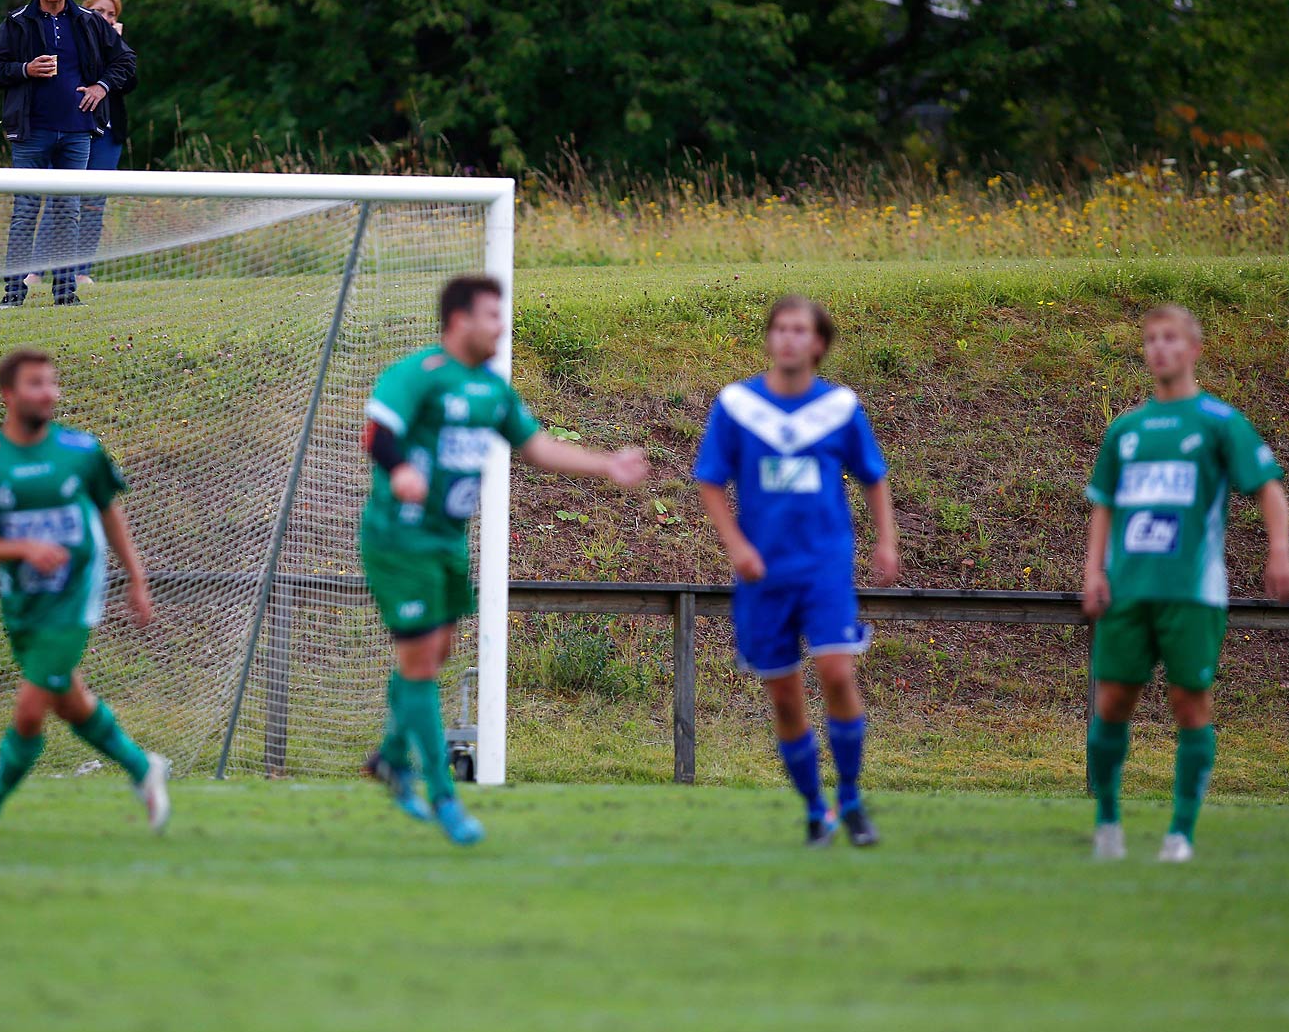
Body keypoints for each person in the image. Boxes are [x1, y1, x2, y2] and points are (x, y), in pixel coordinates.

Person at [359, 275, 649, 844]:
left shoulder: (491, 390)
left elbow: (537, 448)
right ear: (460, 320)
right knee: (420, 661)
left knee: (435, 652)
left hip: (446, 541)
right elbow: (377, 430)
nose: (502, 325)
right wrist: (400, 469)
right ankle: (444, 799)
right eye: (493, 314)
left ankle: (391, 757)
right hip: (400, 539)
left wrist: (605, 465)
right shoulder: (421, 375)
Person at [1082, 304, 1289, 864]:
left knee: (1189, 703)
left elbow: (1269, 489)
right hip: (1128, 591)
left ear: (1194, 350)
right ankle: (1108, 824)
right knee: (1112, 700)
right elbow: (1103, 506)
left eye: (1171, 339)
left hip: (1192, 591)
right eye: (1151, 339)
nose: (1159, 348)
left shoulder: (1219, 422)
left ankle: (1180, 833)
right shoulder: (1126, 430)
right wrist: (1093, 570)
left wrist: (1279, 551)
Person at [0, 348, 168, 845]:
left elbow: (109, 513)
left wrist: (137, 577)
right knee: (70, 702)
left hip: (76, 595)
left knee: (29, 709)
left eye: (52, 383)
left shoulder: (82, 451)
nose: (49, 393)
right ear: (9, 394)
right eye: (36, 383)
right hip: (23, 603)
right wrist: (26, 548)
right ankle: (141, 767)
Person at [694, 295, 900, 848]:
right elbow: (710, 480)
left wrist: (887, 541)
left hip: (824, 566)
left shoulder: (838, 408)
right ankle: (816, 811)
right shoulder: (737, 406)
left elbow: (873, 477)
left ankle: (852, 800)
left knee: (837, 673)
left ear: (818, 344)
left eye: (799, 330)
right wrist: (736, 545)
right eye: (779, 328)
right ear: (769, 339)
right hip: (764, 576)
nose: (788, 338)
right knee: (784, 696)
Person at [0, 0, 136, 309]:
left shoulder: (88, 22)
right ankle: (13, 293)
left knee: (69, 213)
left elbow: (126, 61)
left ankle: (66, 293)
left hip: (77, 131)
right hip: (31, 131)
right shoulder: (17, 22)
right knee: (25, 212)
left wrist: (101, 86)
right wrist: (25, 68)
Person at [74, 0, 132, 288]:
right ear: (87, 11)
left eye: (111, 14)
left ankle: (81, 270)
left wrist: (116, 43)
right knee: (62, 198)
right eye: (100, 12)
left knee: (94, 203)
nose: (106, 18)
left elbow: (128, 82)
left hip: (109, 134)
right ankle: (39, 270)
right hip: (76, 129)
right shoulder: (73, 38)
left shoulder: (118, 49)